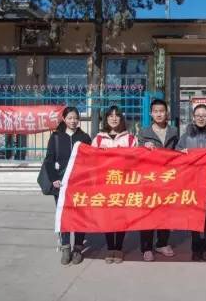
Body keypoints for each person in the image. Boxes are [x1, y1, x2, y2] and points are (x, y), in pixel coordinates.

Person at [43, 106, 92, 265]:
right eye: (70, 118)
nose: (73, 121)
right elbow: (49, 160)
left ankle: (78, 248)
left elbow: (91, 160)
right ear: (64, 119)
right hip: (61, 184)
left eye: (76, 118)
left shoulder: (84, 137)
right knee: (64, 216)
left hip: (80, 184)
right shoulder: (56, 137)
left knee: (80, 216)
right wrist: (54, 179)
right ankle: (65, 248)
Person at [176, 104, 206, 262]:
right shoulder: (186, 136)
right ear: (193, 117)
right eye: (198, 115)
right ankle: (196, 247)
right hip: (192, 182)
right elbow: (176, 153)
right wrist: (181, 153)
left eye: (204, 115)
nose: (201, 118)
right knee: (194, 216)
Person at [91, 105, 137, 264]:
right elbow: (91, 161)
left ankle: (119, 248)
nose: (114, 118)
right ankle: (110, 247)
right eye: (110, 115)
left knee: (121, 217)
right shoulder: (98, 139)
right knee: (108, 217)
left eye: (117, 115)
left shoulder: (130, 139)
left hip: (124, 184)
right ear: (106, 119)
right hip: (105, 184)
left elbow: (136, 161)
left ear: (121, 119)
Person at [137, 98, 179, 261]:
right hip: (150, 178)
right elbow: (137, 153)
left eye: (162, 111)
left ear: (167, 113)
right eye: (156, 111)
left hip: (168, 178)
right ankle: (146, 247)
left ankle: (162, 243)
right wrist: (144, 147)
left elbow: (178, 151)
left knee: (165, 212)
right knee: (148, 213)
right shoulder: (144, 132)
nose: (159, 114)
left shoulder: (173, 131)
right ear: (151, 113)